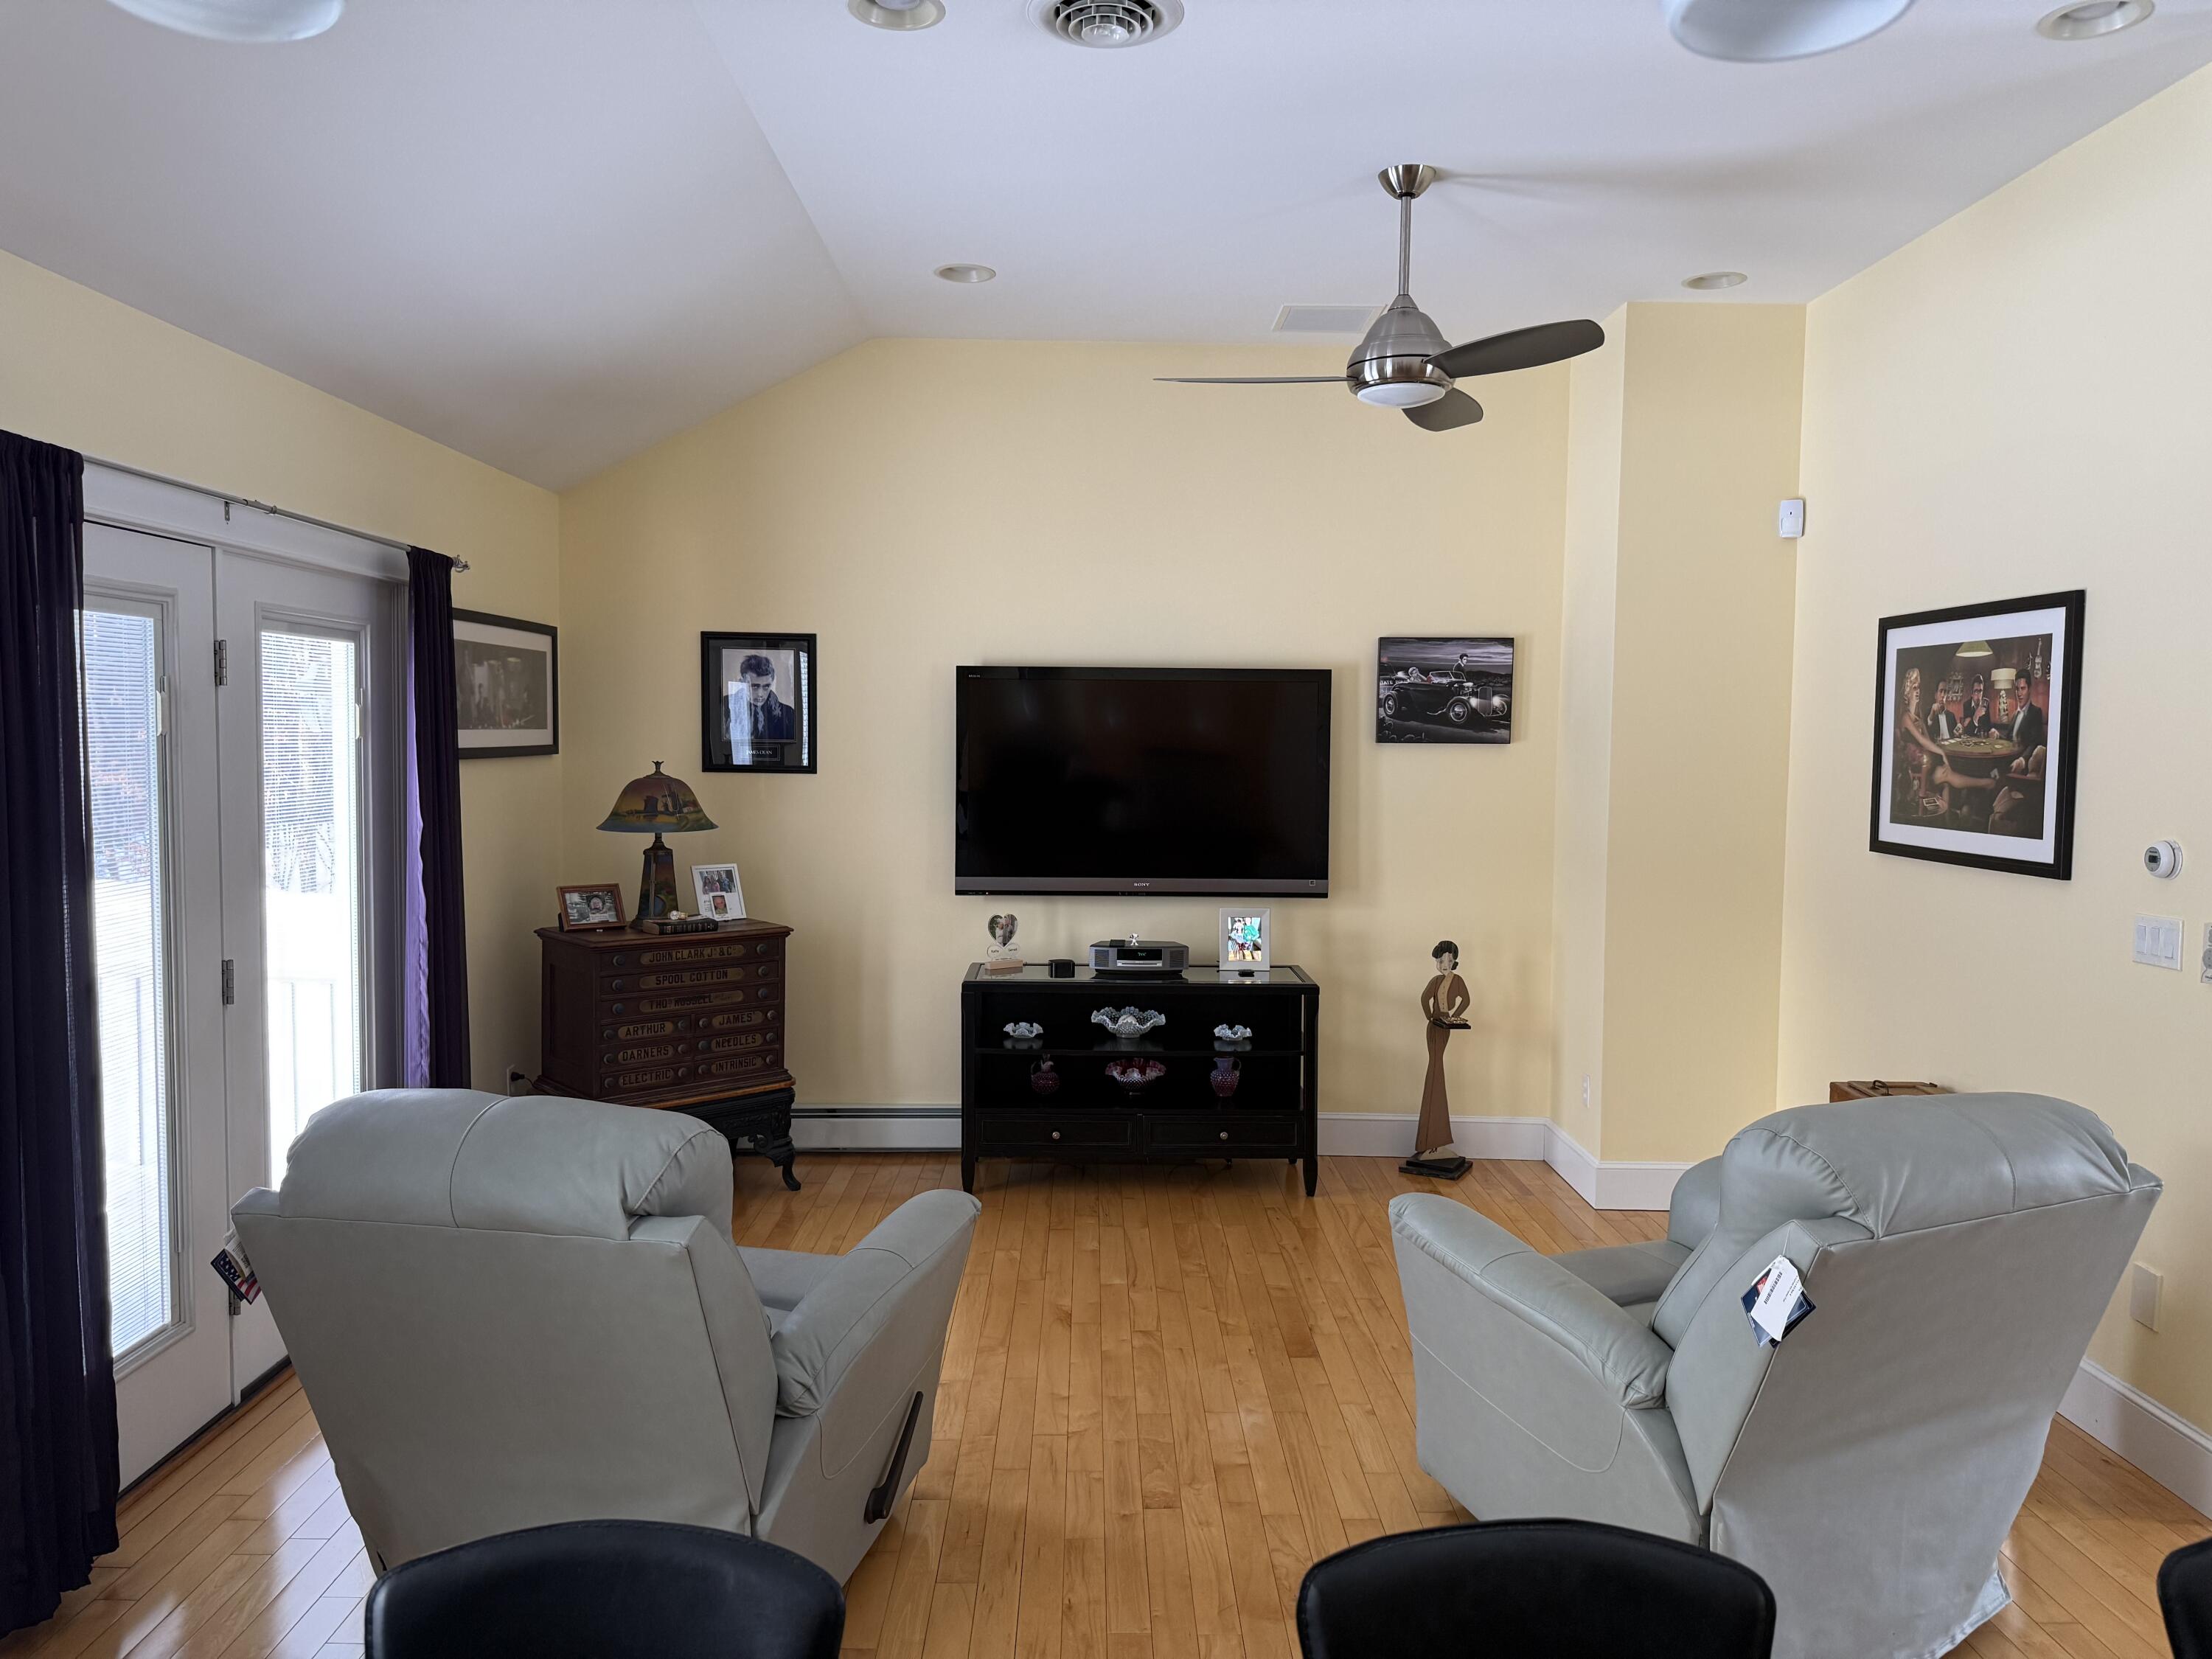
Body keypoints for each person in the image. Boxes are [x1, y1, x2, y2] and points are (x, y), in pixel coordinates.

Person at [1413, 941, 1472, 1158]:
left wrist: (1453, 1015)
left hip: (1445, 1026)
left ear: (1455, 960)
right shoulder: (1436, 981)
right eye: (1440, 960)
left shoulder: (1457, 981)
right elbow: (1424, 998)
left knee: (1436, 1070)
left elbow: (1466, 1000)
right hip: (1434, 1027)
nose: (1444, 964)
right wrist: (1430, 1015)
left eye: (1448, 959)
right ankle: (1432, 1139)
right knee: (1435, 1069)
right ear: (1436, 963)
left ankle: (1435, 1137)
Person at [727, 653, 796, 745]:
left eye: (766, 687)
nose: (760, 694)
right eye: (755, 687)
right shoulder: (726, 707)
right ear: (742, 682)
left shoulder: (787, 714)